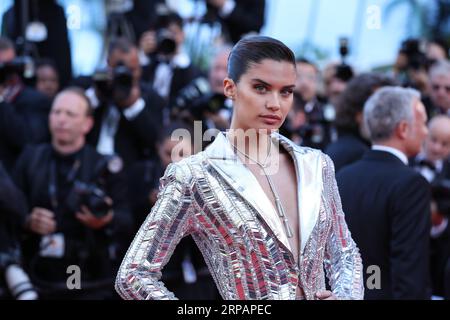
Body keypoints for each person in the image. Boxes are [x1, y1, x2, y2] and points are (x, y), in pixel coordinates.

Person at [116, 36, 363, 300]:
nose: (275, 104)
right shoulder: (194, 175)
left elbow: (345, 253)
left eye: (286, 91)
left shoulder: (316, 164)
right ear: (230, 88)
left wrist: (344, 297)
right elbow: (133, 275)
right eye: (260, 88)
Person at [13, 88, 132, 299]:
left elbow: (129, 220)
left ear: (87, 123)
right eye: (56, 112)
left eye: (70, 114)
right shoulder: (30, 158)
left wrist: (106, 219)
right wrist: (27, 220)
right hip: (37, 275)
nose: (61, 119)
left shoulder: (105, 166)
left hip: (90, 278)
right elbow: (9, 210)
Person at [336, 87, 431, 300]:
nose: (426, 131)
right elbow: (409, 271)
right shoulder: (411, 184)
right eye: (423, 123)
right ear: (403, 129)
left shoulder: (343, 176)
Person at [410, 115, 450, 298]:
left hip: (439, 254)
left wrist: (439, 221)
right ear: (425, 135)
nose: (437, 148)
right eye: (433, 140)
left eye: (445, 144)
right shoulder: (406, 163)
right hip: (408, 248)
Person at [325, 73, 395, 172]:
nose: (387, 116)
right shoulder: (356, 154)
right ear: (358, 113)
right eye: (378, 108)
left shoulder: (347, 146)